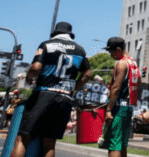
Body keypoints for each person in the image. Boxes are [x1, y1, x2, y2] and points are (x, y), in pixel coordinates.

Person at [11, 22, 92, 157]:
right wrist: (73, 88)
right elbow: (88, 74)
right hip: (64, 99)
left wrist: (29, 77)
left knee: (23, 138)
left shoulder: (47, 45)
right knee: (49, 143)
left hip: (43, 94)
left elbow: (36, 67)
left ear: (54, 33)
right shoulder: (80, 50)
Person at [100, 37, 141, 157]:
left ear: (118, 50)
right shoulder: (133, 63)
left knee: (114, 144)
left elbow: (116, 88)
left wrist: (108, 110)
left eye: (111, 51)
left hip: (117, 108)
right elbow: (139, 82)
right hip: (128, 107)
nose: (110, 54)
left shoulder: (122, 64)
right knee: (122, 144)